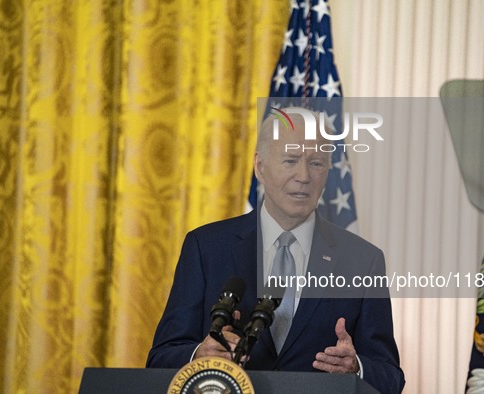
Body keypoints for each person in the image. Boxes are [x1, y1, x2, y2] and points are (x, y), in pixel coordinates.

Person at [146, 109, 405, 393]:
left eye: (316, 163)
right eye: (290, 160)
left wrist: (356, 367)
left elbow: (390, 377)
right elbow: (161, 357)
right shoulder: (206, 247)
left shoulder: (362, 261)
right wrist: (199, 355)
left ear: (328, 172)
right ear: (260, 167)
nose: (304, 176)